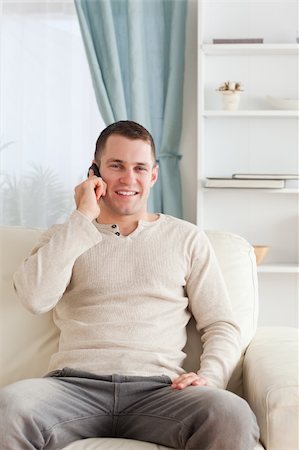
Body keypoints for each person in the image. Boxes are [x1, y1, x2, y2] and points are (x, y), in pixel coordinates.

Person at [0, 120, 259, 450]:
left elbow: (221, 323)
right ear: (94, 172)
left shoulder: (186, 238)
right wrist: (82, 217)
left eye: (140, 168)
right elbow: (35, 298)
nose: (128, 178)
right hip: (71, 389)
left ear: (153, 175)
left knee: (231, 414)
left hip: (161, 392)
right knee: (7, 409)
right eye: (116, 166)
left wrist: (210, 376)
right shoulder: (65, 236)